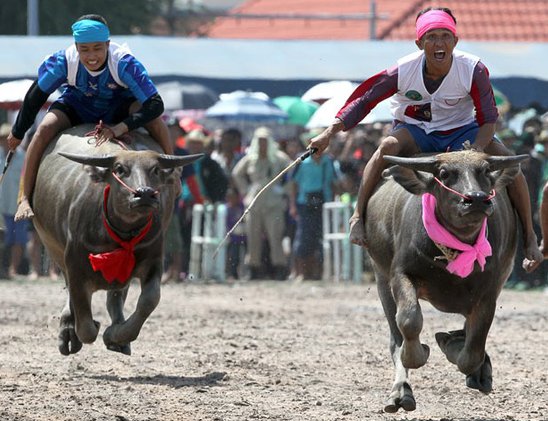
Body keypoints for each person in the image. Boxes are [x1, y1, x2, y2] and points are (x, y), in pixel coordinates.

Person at [309, 6, 543, 272]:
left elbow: (488, 119)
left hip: (463, 132)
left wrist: (475, 150)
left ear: (455, 41)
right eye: (431, 37)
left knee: (513, 167)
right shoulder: (402, 70)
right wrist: (328, 133)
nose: (439, 43)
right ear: (419, 43)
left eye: (445, 36)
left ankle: (530, 236)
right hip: (417, 131)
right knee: (386, 147)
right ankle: (358, 217)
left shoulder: (474, 69)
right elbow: (365, 101)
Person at [7, 14, 172, 221]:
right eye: (84, 49)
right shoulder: (63, 62)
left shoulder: (124, 63)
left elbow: (156, 105)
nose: (91, 56)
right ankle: (24, 198)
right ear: (76, 47)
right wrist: (18, 131)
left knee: (156, 121)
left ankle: (174, 174)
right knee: (44, 128)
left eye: (97, 48)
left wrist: (121, 128)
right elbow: (34, 97)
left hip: (119, 108)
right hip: (78, 105)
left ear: (108, 44)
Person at [232, 126, 292, 280]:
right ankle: (253, 267)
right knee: (253, 236)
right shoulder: (250, 158)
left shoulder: (279, 158)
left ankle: (279, 267)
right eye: (259, 141)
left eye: (265, 141)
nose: (262, 144)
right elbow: (236, 173)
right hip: (254, 202)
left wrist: (284, 189)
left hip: (274, 202)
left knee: (275, 236)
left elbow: (293, 171)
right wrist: (245, 190)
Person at [288, 145, 337, 281]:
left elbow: (334, 183)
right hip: (304, 204)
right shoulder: (302, 161)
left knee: (321, 239)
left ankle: (320, 272)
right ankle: (300, 272)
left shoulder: (329, 161)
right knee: (303, 237)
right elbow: (293, 184)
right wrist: (292, 205)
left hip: (324, 204)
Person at [0, 124, 30, 279]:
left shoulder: (23, 156)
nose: (5, 142)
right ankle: (3, 269)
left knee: (18, 239)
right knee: (4, 239)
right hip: (1, 206)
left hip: (17, 205)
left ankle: (12, 269)